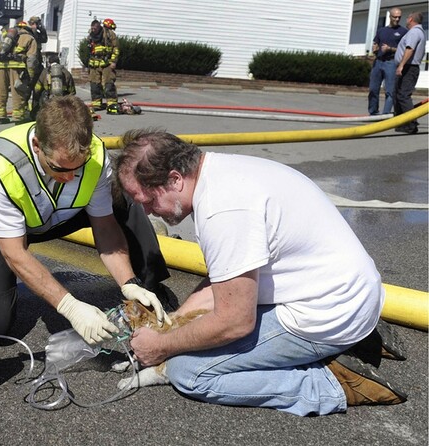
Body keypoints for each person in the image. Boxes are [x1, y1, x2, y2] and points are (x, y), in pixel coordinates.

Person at [115, 130, 407, 416]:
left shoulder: (223, 211)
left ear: (174, 179)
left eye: (148, 200)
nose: (149, 212)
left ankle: (331, 384)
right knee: (194, 331)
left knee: (187, 371)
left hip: (327, 315)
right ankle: (359, 337)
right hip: (346, 292)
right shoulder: (223, 171)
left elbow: (235, 322)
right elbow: (226, 278)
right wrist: (175, 323)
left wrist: (161, 346)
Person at [0, 96, 170, 346]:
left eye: (77, 168)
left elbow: (105, 226)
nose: (70, 177)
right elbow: (15, 253)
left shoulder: (93, 157)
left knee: (126, 200)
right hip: (0, 231)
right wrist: (70, 306)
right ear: (38, 146)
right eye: (59, 168)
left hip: (56, 214)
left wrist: (128, 283)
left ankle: (147, 290)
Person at [367, 8, 407, 115]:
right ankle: (373, 113)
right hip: (378, 61)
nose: (397, 19)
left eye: (399, 17)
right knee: (373, 89)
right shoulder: (382, 30)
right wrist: (374, 48)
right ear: (390, 17)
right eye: (395, 17)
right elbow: (376, 43)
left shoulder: (403, 32)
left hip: (391, 62)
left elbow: (405, 50)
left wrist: (390, 49)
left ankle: (385, 115)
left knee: (390, 91)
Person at [394, 12, 426, 134]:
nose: (406, 19)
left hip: (408, 67)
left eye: (407, 17)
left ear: (411, 19)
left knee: (403, 95)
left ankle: (411, 124)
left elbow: (410, 49)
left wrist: (401, 65)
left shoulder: (414, 32)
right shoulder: (418, 32)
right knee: (399, 95)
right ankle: (402, 123)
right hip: (409, 67)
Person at [8, 21, 40, 123]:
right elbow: (31, 59)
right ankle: (19, 117)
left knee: (9, 91)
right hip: (21, 67)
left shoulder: (13, 37)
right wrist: (30, 74)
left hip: (8, 66)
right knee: (20, 92)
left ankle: (4, 115)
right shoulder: (30, 38)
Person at [30, 54, 76, 120]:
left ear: (49, 62)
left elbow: (37, 88)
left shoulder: (45, 72)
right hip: (62, 100)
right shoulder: (66, 72)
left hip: (48, 100)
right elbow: (72, 91)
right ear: (58, 61)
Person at [88, 18, 119, 112]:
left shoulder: (109, 34)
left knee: (108, 83)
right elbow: (90, 50)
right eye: (92, 28)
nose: (93, 30)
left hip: (107, 63)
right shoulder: (90, 36)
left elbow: (116, 48)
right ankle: (97, 103)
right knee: (94, 83)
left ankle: (112, 103)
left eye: (95, 29)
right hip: (94, 64)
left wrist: (113, 61)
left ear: (99, 27)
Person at [0, 26, 14, 124]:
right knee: (17, 92)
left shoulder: (2, 43)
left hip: (1, 67)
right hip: (15, 68)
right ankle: (18, 117)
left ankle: (1, 116)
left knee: (1, 91)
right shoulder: (18, 40)